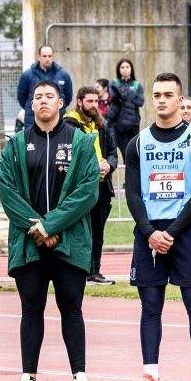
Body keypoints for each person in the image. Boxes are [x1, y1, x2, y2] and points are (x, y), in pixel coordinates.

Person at [0, 80, 100, 381]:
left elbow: (88, 190)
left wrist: (52, 225)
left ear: (61, 102)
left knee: (72, 307)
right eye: (37, 97)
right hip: (30, 242)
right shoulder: (16, 144)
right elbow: (7, 188)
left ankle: (79, 376)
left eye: (49, 96)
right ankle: (28, 377)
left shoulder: (80, 143)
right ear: (30, 104)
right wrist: (37, 227)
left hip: (69, 241)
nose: (42, 101)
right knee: (31, 308)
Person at [122, 72, 191, 381]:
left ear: (180, 100)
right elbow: (132, 193)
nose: (161, 100)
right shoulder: (138, 143)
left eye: (168, 95)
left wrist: (172, 232)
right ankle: (150, 375)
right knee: (150, 306)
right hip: (148, 233)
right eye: (157, 94)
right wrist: (150, 233)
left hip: (186, 231)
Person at [67, 84, 118, 285]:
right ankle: (80, 271)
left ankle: (95, 271)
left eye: (96, 101)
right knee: (82, 232)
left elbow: (113, 152)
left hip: (102, 186)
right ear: (80, 102)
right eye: (89, 101)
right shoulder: (69, 125)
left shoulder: (102, 124)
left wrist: (109, 165)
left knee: (98, 232)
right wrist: (92, 166)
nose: (94, 105)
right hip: (81, 187)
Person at [15, 45, 74, 123]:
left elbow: (68, 96)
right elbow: (21, 97)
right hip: (33, 120)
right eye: (44, 56)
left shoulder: (63, 75)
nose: (47, 59)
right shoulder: (27, 75)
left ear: (53, 57)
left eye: (50, 56)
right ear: (39, 57)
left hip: (58, 120)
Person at [107, 58, 145, 143]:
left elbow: (140, 102)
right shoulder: (114, 83)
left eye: (127, 67)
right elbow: (114, 97)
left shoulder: (137, 84)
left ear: (131, 69)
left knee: (133, 148)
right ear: (118, 69)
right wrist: (131, 94)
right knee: (123, 150)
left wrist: (124, 95)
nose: (125, 70)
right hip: (118, 122)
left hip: (133, 123)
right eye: (122, 67)